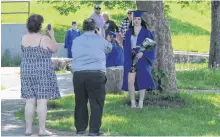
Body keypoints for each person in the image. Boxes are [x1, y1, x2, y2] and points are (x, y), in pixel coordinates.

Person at [20, 14, 61, 136]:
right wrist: (52, 35)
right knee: (42, 101)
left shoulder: (23, 38)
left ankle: (28, 129)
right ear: (40, 26)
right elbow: (55, 49)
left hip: (27, 71)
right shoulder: (44, 39)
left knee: (29, 100)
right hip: (42, 71)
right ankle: (42, 130)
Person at [71, 18, 112, 136]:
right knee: (96, 103)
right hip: (96, 74)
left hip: (79, 74)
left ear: (83, 28)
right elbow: (109, 48)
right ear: (95, 28)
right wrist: (99, 35)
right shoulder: (99, 39)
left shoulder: (76, 40)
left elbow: (73, 52)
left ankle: (80, 129)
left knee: (80, 102)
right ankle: (94, 130)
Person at [121, 11, 156, 109]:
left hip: (142, 58)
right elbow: (126, 46)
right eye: (135, 19)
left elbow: (152, 46)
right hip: (131, 59)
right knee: (130, 81)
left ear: (141, 20)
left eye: (138, 19)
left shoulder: (146, 32)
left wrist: (143, 53)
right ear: (132, 20)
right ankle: (133, 103)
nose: (136, 21)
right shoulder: (128, 33)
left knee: (142, 80)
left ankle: (140, 103)